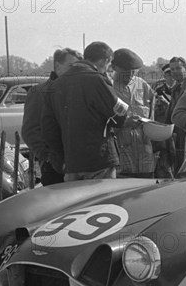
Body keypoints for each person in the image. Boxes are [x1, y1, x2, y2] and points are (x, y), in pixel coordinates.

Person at [42, 41, 128, 182]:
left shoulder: (55, 85)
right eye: (108, 64)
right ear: (105, 60)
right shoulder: (97, 80)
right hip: (99, 161)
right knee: (102, 202)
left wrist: (63, 159)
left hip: (71, 163)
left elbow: (48, 130)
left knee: (78, 204)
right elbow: (119, 117)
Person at [21, 48, 82, 186]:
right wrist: (48, 158)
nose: (75, 71)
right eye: (71, 66)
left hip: (80, 164)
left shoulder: (79, 91)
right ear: (58, 67)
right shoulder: (39, 92)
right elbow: (30, 131)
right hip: (55, 167)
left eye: (78, 67)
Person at [110, 48, 155, 178]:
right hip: (121, 155)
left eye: (133, 71)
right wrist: (124, 123)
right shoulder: (108, 87)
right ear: (114, 67)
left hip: (145, 155)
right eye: (125, 71)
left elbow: (151, 114)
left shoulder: (143, 85)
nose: (130, 75)